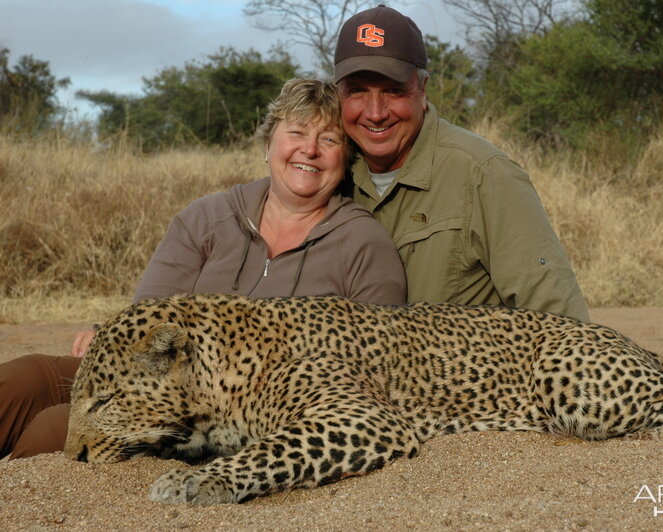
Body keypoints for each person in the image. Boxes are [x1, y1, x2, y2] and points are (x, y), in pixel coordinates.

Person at [0, 78, 406, 460]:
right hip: (147, 385)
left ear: (346, 157)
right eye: (296, 133)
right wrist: (105, 336)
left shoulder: (364, 243)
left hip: (239, 418)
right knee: (22, 379)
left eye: (329, 139)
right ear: (268, 144)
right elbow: (148, 320)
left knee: (51, 429)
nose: (310, 150)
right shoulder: (208, 216)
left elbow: (379, 371)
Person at [333, 5, 589, 322]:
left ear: (423, 91)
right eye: (357, 91)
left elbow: (563, 322)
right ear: (338, 95)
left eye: (394, 91)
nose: (375, 113)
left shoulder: (483, 172)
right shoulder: (328, 176)